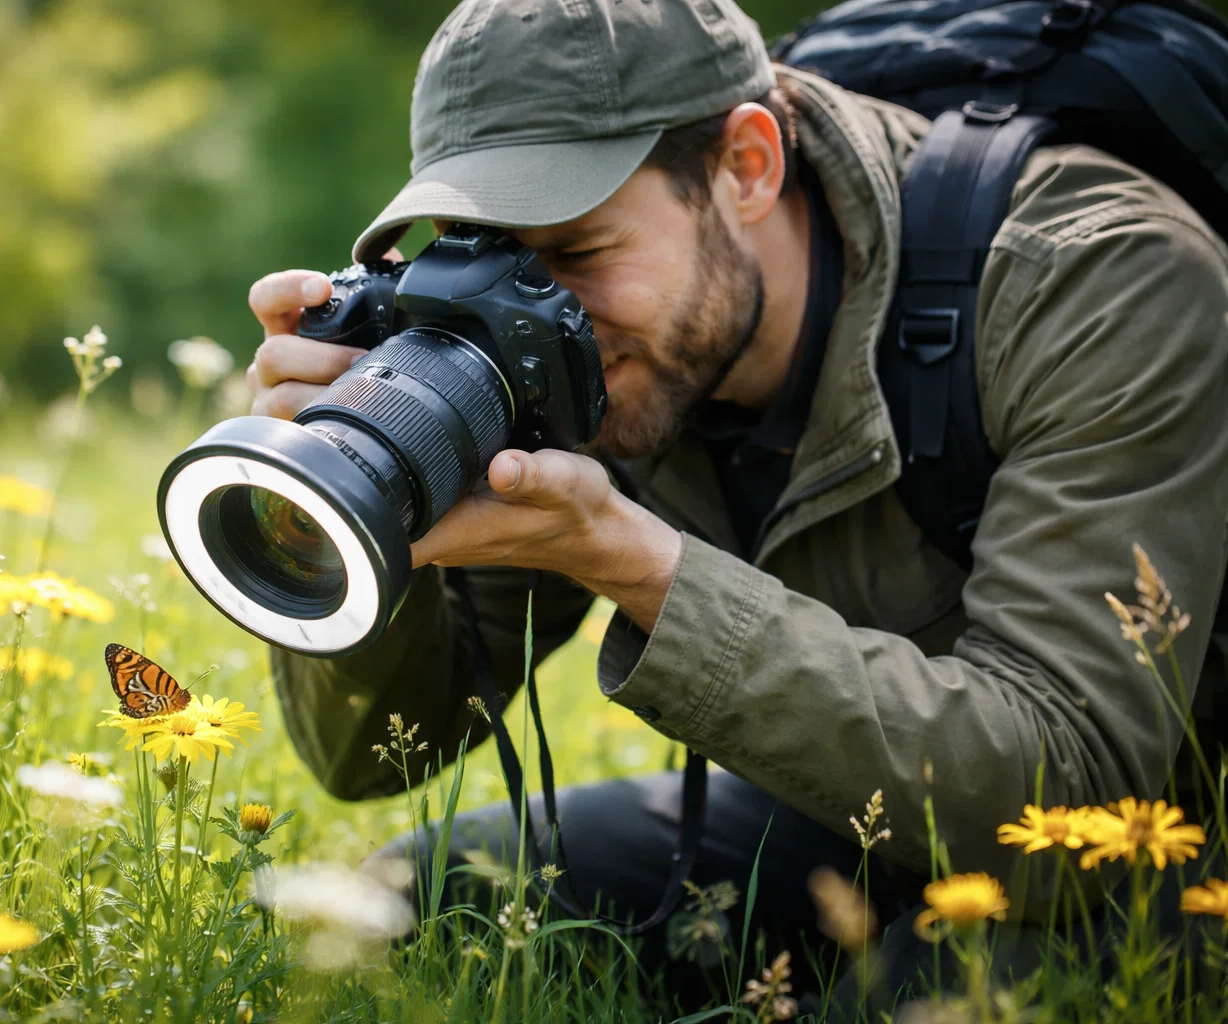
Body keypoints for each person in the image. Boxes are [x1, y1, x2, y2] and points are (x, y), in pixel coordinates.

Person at [243, 0, 1228, 1006]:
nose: (530, 313)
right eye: (480, 254)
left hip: (1163, 847)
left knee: (924, 998)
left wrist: (638, 566)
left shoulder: (1095, 281)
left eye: (576, 254)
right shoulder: (561, 348)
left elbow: (1068, 791)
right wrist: (353, 482)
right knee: (414, 900)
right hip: (856, 815)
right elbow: (372, 750)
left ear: (748, 167)